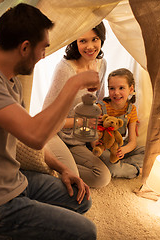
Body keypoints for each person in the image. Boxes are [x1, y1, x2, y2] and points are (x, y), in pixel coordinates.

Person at [0, 3, 99, 240]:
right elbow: (35, 137)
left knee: (81, 200)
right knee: (86, 232)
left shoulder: (10, 80)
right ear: (25, 47)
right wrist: (74, 84)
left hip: (11, 180)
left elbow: (28, 136)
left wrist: (62, 168)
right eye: (43, 48)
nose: (43, 56)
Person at [43, 22, 111, 188]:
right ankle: (53, 163)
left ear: (101, 38)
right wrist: (81, 122)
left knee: (102, 177)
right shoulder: (65, 69)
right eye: (83, 41)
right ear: (75, 42)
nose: (90, 46)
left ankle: (56, 166)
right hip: (54, 134)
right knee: (72, 181)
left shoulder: (101, 64)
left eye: (94, 39)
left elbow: (99, 101)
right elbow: (47, 118)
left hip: (78, 139)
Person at [94, 68, 145, 179]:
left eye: (121, 88)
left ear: (131, 89)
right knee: (112, 169)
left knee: (147, 152)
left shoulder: (131, 110)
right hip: (103, 148)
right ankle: (136, 170)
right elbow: (93, 139)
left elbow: (132, 142)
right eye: (112, 88)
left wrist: (124, 150)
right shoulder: (100, 108)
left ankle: (122, 163)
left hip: (118, 145)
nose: (116, 93)